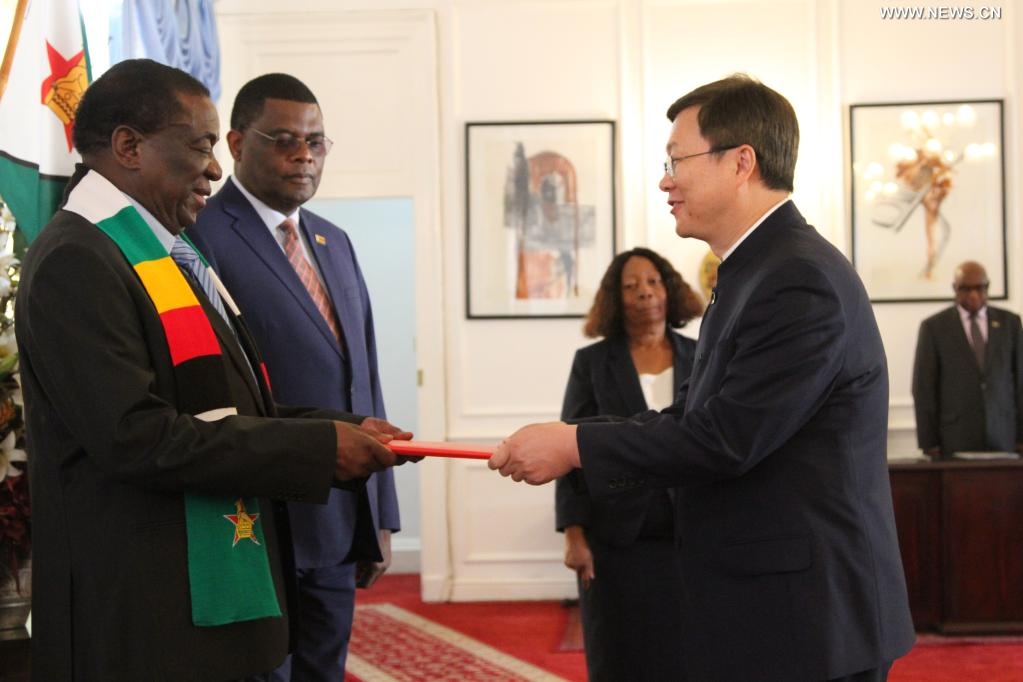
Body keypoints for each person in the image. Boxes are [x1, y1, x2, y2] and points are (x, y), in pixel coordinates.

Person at [490, 74, 915, 681]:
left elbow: (725, 438)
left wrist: (575, 444)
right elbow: (691, 416)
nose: (665, 181)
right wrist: (570, 441)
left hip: (810, 617)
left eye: (676, 160)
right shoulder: (749, 273)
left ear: (741, 162)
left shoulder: (796, 279)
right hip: (776, 608)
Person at [15, 59, 413, 682]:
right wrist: (316, 449)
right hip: (141, 610)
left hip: (187, 601)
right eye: (201, 146)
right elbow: (138, 437)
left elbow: (222, 404)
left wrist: (337, 426)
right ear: (129, 147)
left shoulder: (161, 251)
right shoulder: (79, 257)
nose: (215, 169)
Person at [187, 73, 400, 681]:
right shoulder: (200, 234)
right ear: (235, 143)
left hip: (338, 516)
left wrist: (379, 515)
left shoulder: (334, 241)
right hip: (257, 520)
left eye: (315, 141)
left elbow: (365, 380)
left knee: (323, 671)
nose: (303, 155)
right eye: (283, 139)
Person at [556, 247, 701, 681]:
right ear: (615, 299)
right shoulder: (591, 363)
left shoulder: (702, 355)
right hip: (616, 538)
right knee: (619, 654)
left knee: (689, 655)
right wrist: (574, 535)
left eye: (653, 282)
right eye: (631, 286)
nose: (645, 293)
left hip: (692, 534)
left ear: (669, 290)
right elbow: (569, 451)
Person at [912, 260, 1023, 458]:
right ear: (955, 288)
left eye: (979, 288)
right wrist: (929, 442)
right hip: (954, 437)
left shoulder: (1010, 323)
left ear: (987, 287)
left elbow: (1020, 381)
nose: (973, 294)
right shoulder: (934, 327)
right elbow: (924, 388)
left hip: (1004, 435)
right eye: (965, 288)